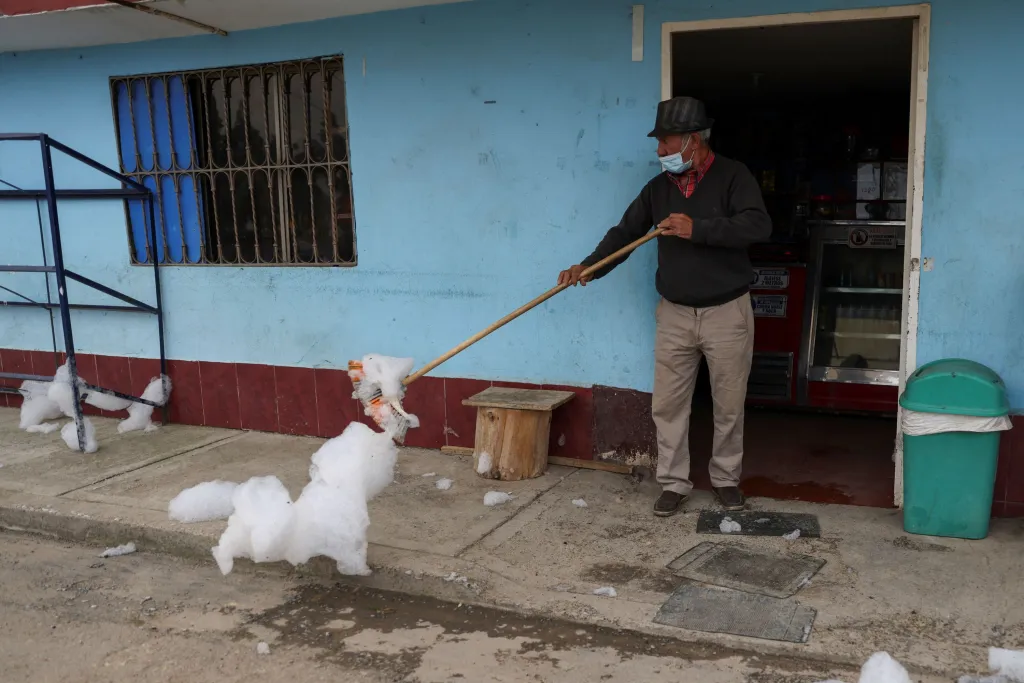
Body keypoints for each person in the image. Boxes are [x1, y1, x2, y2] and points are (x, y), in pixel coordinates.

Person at [558, 96, 772, 516]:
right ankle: (674, 482)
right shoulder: (657, 190)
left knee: (729, 402)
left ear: (694, 141)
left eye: (666, 143)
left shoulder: (734, 176)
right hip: (674, 312)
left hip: (727, 311)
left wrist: (699, 228)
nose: (659, 152)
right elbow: (624, 233)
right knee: (669, 404)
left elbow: (758, 225)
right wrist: (588, 267)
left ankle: (726, 479)